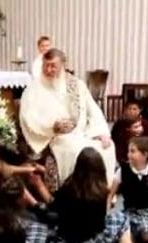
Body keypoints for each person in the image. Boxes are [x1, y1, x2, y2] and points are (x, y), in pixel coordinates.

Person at [53, 148, 148, 243]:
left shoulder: (67, 186)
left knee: (119, 219)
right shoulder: (99, 193)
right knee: (121, 219)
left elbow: (56, 210)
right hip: (84, 242)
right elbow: (98, 226)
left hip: (66, 239)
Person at [20, 48, 116, 186]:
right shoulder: (33, 89)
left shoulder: (77, 85)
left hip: (83, 134)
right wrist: (52, 127)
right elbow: (28, 117)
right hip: (55, 137)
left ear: (63, 66)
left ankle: (99, 191)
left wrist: (100, 133)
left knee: (108, 147)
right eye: (46, 65)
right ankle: (74, 191)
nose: (48, 69)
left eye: (53, 66)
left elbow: (93, 110)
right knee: (74, 149)